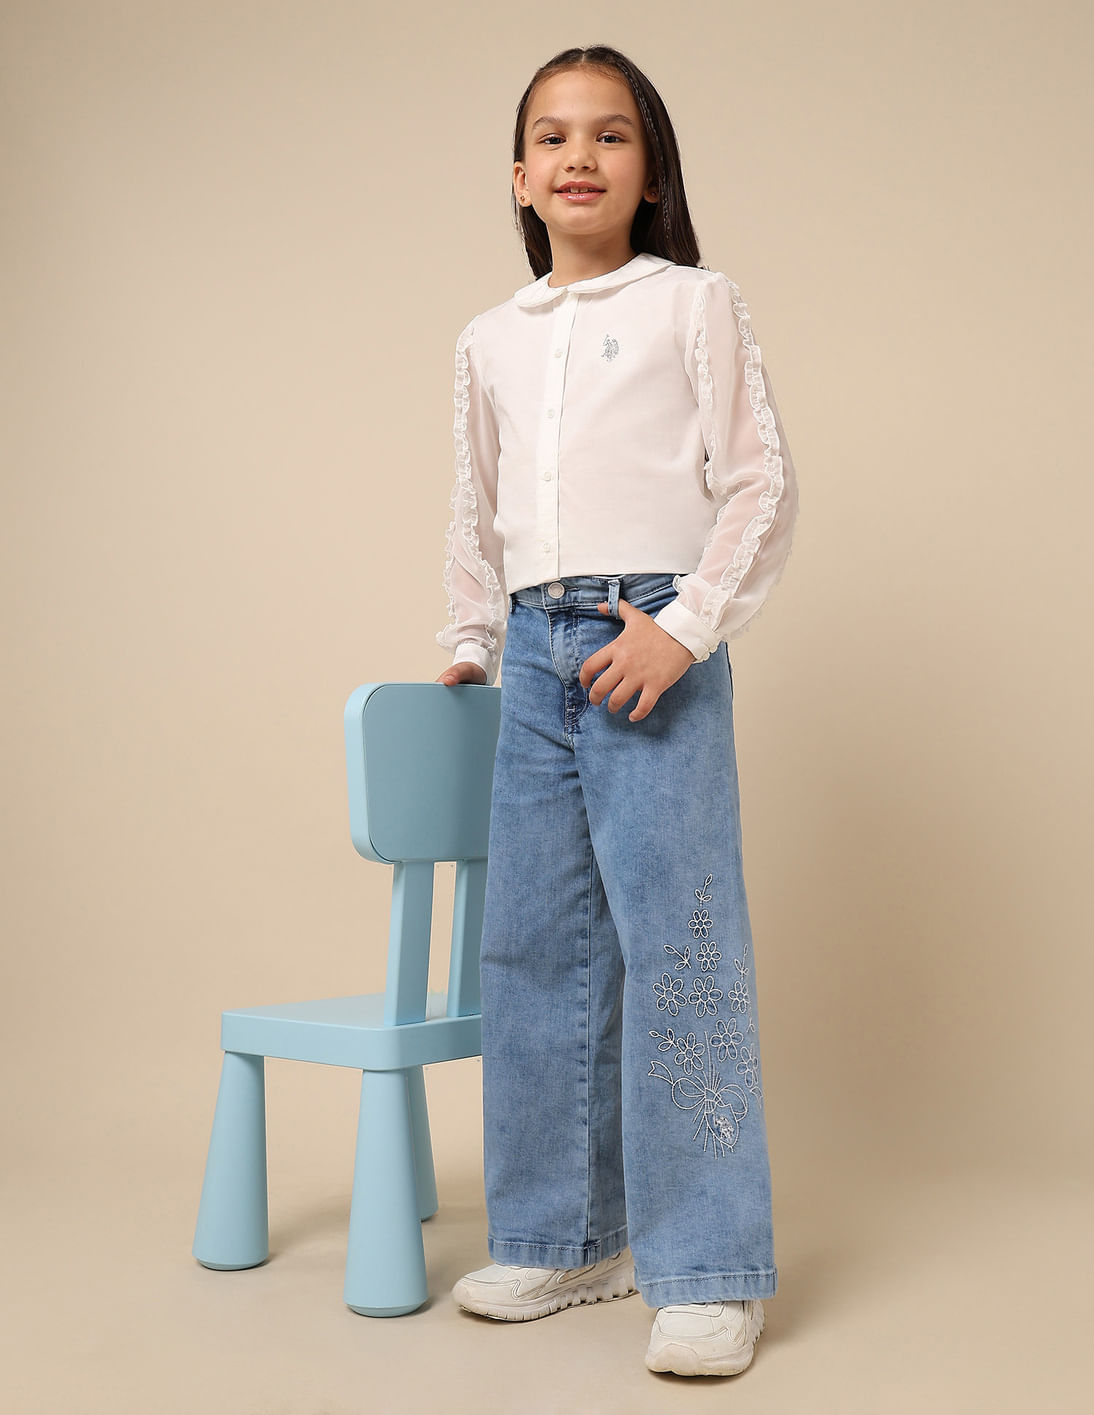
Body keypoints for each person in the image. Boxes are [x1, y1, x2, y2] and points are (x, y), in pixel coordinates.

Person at [433, 44, 798, 1379]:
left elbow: (760, 483)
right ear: (518, 176)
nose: (578, 156)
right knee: (534, 948)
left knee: (679, 946)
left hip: (648, 636)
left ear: (650, 174)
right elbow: (475, 507)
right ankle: (564, 1235)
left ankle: (706, 1268)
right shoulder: (488, 338)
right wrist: (471, 641)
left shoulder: (693, 303)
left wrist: (685, 628)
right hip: (534, 651)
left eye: (611, 134)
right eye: (552, 136)